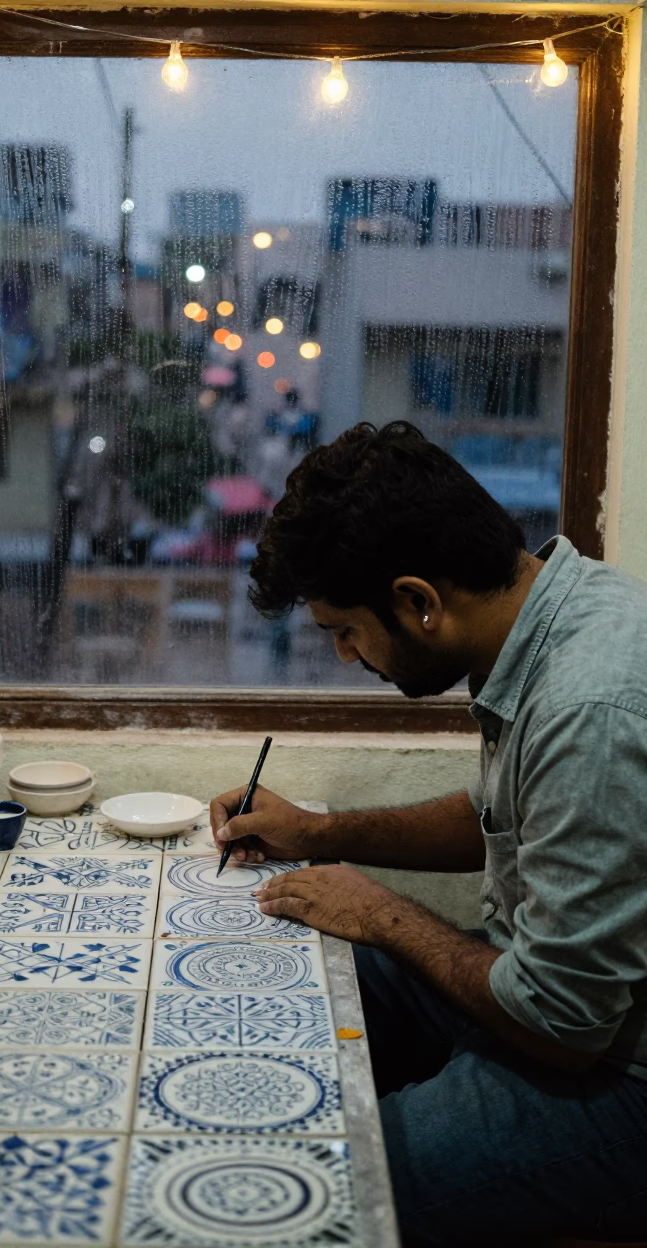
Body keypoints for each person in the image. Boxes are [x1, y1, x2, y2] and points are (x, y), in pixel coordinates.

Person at [209, 421, 647, 1246]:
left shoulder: (590, 707)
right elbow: (507, 816)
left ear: (417, 600)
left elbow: (562, 1023)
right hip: (561, 999)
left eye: (345, 630)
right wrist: (316, 831)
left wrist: (382, 913)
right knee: (301, 964)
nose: (344, 656)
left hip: (618, 1068)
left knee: (322, 1184)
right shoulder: (554, 612)